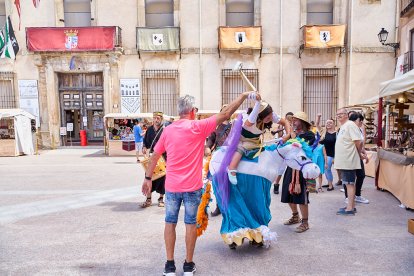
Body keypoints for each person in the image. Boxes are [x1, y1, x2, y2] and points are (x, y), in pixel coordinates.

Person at [142, 92, 256, 276]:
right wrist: (243, 96)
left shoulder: (168, 130)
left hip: (171, 187)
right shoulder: (198, 126)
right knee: (190, 225)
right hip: (192, 187)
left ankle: (169, 266)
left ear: (179, 111)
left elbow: (155, 155)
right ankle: (188, 265)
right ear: (193, 111)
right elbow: (226, 114)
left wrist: (147, 178)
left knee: (170, 223)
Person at [227, 99, 291, 184]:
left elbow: (285, 122)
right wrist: (257, 104)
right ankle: (232, 170)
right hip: (242, 140)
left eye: (271, 116)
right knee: (241, 149)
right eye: (268, 118)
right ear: (259, 116)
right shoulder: (249, 118)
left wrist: (288, 134)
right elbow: (249, 123)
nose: (271, 118)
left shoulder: (271, 115)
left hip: (256, 142)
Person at [281, 111, 315, 233]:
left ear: (302, 122)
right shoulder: (292, 134)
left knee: (302, 197)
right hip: (291, 167)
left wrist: (291, 133)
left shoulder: (310, 135)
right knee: (287, 193)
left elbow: (299, 146)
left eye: (295, 120)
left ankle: (305, 222)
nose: (293, 122)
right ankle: (295, 216)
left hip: (303, 168)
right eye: (292, 120)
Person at [334, 108, 365, 215]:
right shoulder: (344, 126)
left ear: (347, 115)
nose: (338, 116)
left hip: (348, 160)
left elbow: (358, 141)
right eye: (337, 114)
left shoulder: (350, 124)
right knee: (348, 184)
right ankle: (351, 206)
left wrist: (360, 154)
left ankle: (350, 208)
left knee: (349, 184)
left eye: (341, 114)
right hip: (345, 161)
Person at [205, 104, 232, 217]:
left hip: (230, 157)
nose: (225, 112)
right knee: (217, 182)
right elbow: (210, 139)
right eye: (223, 110)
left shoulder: (234, 126)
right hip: (217, 158)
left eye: (227, 110)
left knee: (230, 182)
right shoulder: (216, 127)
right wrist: (207, 147)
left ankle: (229, 207)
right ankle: (219, 206)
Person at [342, 112, 370, 205]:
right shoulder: (348, 128)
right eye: (359, 120)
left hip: (358, 156)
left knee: (361, 175)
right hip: (350, 156)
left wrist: (364, 153)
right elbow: (354, 144)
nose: (361, 122)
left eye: (361, 120)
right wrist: (361, 154)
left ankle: (357, 195)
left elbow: (360, 144)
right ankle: (348, 197)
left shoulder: (360, 129)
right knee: (349, 178)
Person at [141, 111, 166, 208]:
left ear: (161, 119)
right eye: (155, 118)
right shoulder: (149, 130)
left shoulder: (165, 130)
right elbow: (145, 141)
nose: (156, 120)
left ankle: (161, 199)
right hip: (151, 157)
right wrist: (144, 147)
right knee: (149, 176)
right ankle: (148, 198)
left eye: (158, 118)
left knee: (162, 178)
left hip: (162, 158)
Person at [272, 112, 293, 194]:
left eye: (291, 118)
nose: (290, 120)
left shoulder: (293, 127)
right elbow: (281, 136)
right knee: (281, 168)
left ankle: (291, 185)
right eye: (288, 118)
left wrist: (291, 130)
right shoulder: (282, 126)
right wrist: (281, 127)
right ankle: (276, 185)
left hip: (291, 149)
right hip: (283, 149)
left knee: (292, 168)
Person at [317, 115, 337, 191]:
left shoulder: (336, 133)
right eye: (327, 123)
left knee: (327, 169)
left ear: (334, 124)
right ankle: (329, 183)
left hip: (331, 154)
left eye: (330, 123)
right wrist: (318, 117)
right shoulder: (323, 131)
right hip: (322, 154)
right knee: (324, 169)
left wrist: (335, 157)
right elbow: (317, 124)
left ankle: (331, 186)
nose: (328, 124)